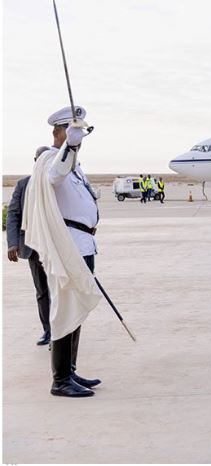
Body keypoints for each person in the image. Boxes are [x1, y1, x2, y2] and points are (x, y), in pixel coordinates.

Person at [24, 106, 104, 396]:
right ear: (58, 132)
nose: (78, 137)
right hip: (68, 246)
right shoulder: (50, 160)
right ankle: (60, 380)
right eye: (72, 130)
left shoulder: (74, 165)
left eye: (80, 132)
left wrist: (71, 150)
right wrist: (68, 146)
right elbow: (55, 176)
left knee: (76, 308)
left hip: (83, 244)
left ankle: (70, 370)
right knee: (64, 309)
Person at [6, 146, 52, 346]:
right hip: (32, 247)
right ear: (35, 161)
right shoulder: (23, 184)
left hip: (53, 247)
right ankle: (48, 331)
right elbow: (13, 214)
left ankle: (61, 332)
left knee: (60, 291)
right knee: (42, 291)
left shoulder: (56, 183)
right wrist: (12, 243)